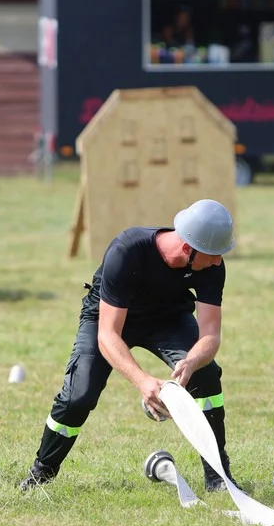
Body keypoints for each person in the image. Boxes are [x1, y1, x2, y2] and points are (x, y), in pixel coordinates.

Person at [20, 199, 239, 492]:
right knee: (78, 397)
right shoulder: (127, 250)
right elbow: (108, 335)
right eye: (212, 255)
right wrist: (143, 382)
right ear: (188, 248)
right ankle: (41, 474)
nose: (217, 261)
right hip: (108, 319)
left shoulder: (212, 264)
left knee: (206, 375)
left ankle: (217, 476)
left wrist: (191, 361)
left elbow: (210, 334)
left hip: (167, 317)